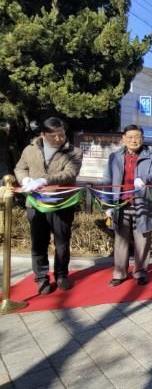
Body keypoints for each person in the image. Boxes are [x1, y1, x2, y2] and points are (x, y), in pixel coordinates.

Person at [14, 117, 83, 294]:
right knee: (38, 243)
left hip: (62, 203)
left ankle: (61, 275)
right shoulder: (30, 150)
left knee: (62, 243)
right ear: (43, 135)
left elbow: (70, 173)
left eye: (61, 134)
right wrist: (25, 179)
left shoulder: (74, 152)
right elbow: (20, 168)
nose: (58, 139)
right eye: (53, 135)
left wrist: (44, 180)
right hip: (35, 203)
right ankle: (41, 278)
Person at [104, 125, 152, 287]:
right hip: (121, 204)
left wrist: (144, 179)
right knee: (120, 241)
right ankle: (119, 273)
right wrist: (107, 205)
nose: (134, 140)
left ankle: (140, 272)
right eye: (130, 137)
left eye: (137, 137)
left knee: (142, 240)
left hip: (143, 203)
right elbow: (107, 181)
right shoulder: (115, 157)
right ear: (123, 138)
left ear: (142, 138)